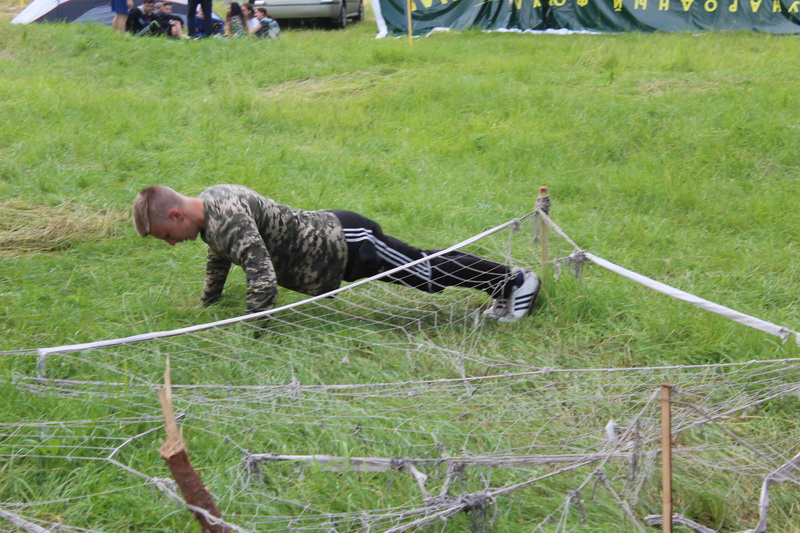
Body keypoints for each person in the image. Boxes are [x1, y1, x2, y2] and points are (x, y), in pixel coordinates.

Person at [132, 185, 541, 322]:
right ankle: (502, 287)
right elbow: (220, 255)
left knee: (426, 272)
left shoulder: (227, 215)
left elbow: (262, 279)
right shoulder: (209, 212)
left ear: (176, 214)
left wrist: (252, 333)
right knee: (425, 273)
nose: (171, 243)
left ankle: (514, 281)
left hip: (349, 242)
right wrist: (209, 301)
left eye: (167, 235)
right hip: (336, 249)